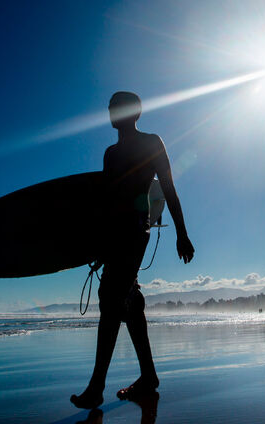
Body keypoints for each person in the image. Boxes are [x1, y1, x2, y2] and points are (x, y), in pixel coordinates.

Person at [71, 91, 194, 409]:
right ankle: (149, 377)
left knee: (110, 301)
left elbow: (168, 187)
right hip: (114, 234)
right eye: (109, 106)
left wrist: (182, 233)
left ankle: (96, 387)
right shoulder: (110, 154)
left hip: (136, 231)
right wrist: (98, 243)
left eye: (117, 107)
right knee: (130, 301)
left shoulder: (151, 142)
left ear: (133, 112)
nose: (111, 111)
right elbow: (106, 202)